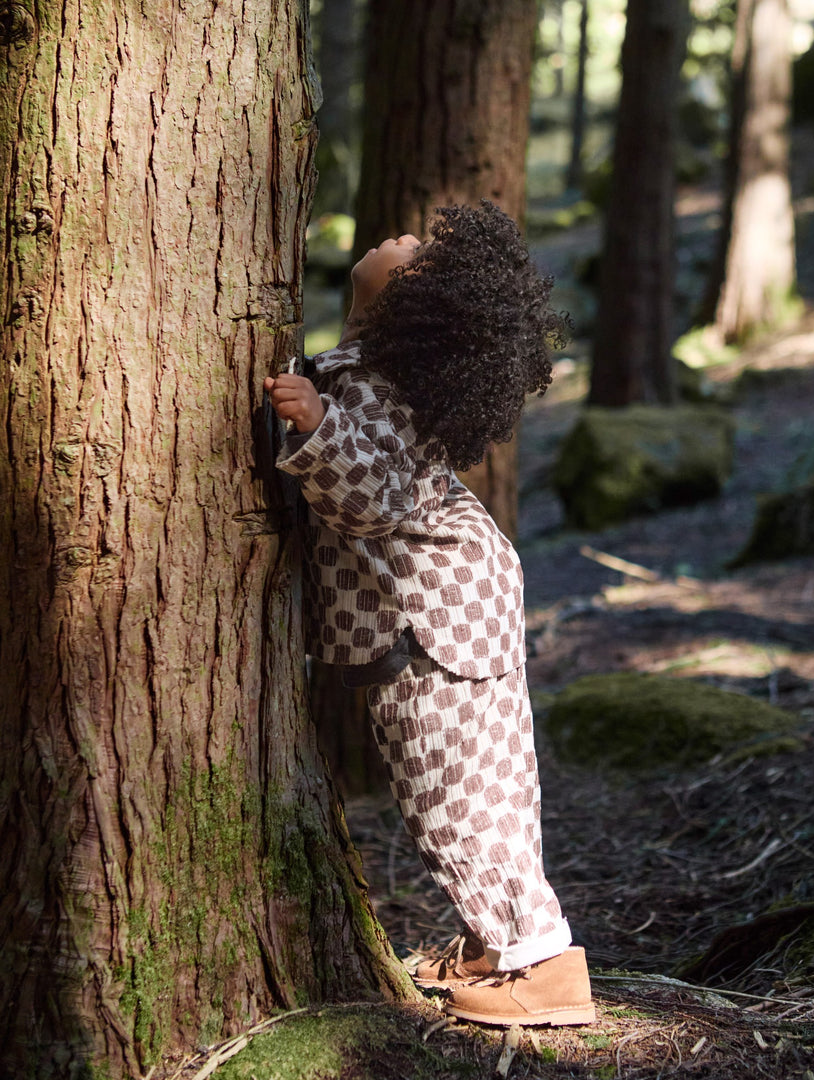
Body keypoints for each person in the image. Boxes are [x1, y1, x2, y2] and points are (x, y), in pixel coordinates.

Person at [264, 201, 594, 1027]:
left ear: (412, 310)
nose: (402, 237)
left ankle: (543, 967)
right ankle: (502, 946)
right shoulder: (376, 369)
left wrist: (317, 422)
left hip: (435, 623)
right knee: (480, 788)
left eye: (414, 256)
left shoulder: (380, 386)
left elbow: (373, 495)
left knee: (459, 799)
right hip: (451, 609)